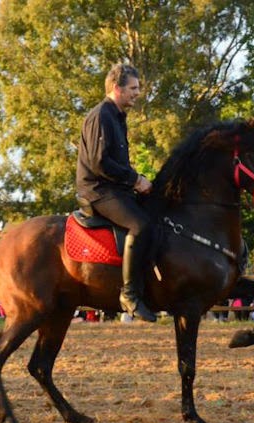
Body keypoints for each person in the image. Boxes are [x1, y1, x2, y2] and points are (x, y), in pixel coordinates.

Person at [76, 63, 156, 322]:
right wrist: (135, 180)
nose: (137, 93)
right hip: (98, 191)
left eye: (138, 88)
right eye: (133, 88)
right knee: (141, 224)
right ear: (116, 88)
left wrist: (141, 183)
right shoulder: (102, 116)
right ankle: (130, 294)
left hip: (115, 188)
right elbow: (100, 162)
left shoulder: (118, 117)